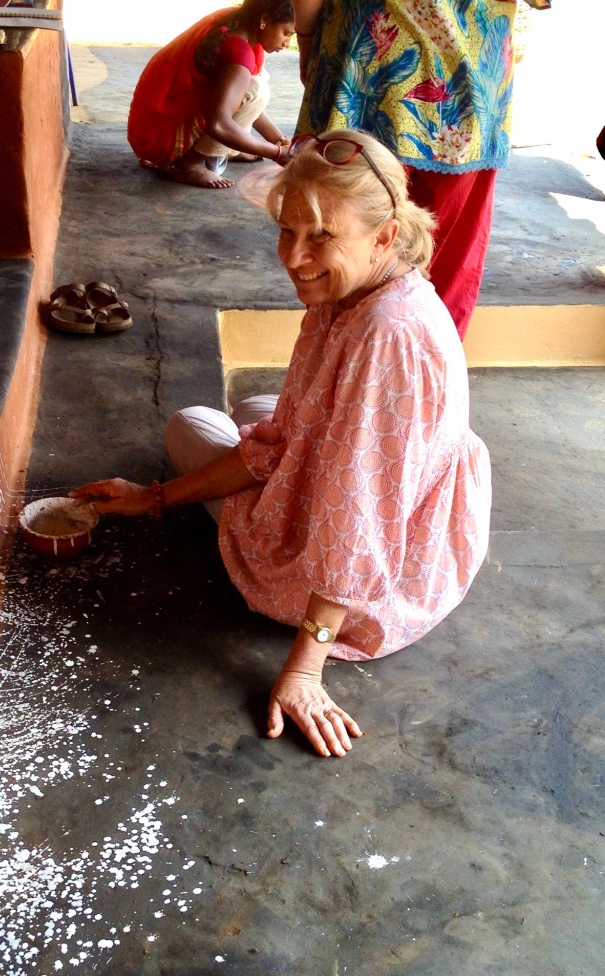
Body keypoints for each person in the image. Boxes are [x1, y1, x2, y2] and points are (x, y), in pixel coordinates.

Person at [71, 129, 492, 758]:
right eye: (287, 231)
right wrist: (150, 497)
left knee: (189, 425)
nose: (294, 256)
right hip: (402, 510)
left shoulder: (387, 334)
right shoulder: (358, 286)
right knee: (253, 412)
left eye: (321, 235)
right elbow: (283, 437)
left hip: (381, 579)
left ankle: (298, 603)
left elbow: (360, 521)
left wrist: (303, 673)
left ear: (384, 237)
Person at [292, 0, 519, 339]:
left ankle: (341, 362)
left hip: (371, 58)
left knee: (342, 233)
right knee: (450, 254)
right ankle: (428, 366)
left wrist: (307, 37)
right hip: (472, 69)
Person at [127, 0, 296, 190]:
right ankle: (188, 166)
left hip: (149, 126)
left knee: (256, 82)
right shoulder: (240, 52)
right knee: (258, 89)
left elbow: (237, 99)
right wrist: (276, 153)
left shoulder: (234, 22)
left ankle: (229, 147)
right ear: (264, 20)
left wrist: (279, 140)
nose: (287, 43)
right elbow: (219, 124)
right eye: (286, 33)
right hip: (161, 137)